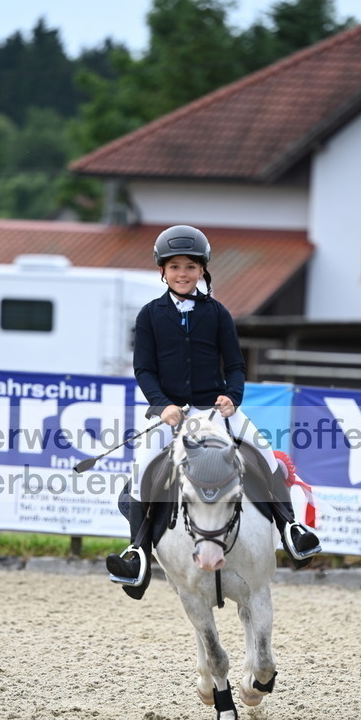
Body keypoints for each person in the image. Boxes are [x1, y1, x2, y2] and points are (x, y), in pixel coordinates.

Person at [106, 224, 321, 599]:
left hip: (216, 408)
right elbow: (144, 370)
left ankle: (291, 529)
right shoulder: (149, 315)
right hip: (169, 412)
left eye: (190, 266)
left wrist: (232, 397)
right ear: (162, 271)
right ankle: (137, 553)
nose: (183, 274)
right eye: (175, 267)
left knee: (266, 456)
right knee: (142, 470)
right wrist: (162, 405)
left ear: (202, 269)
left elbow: (235, 365)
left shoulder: (218, 313)